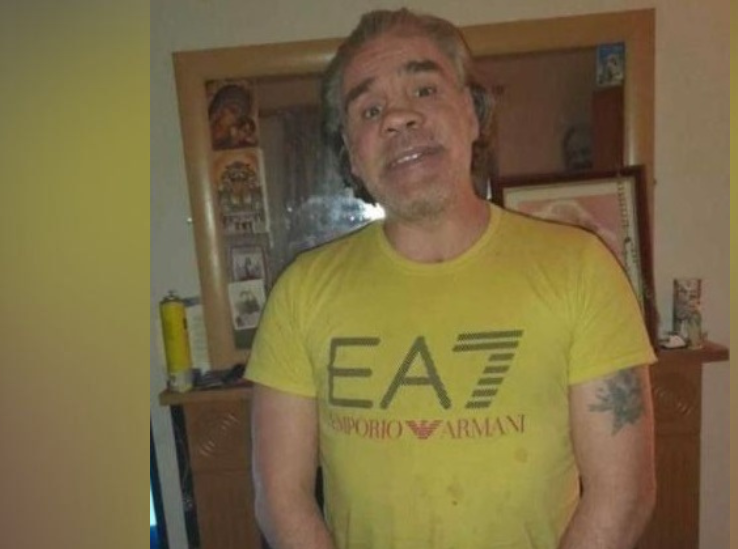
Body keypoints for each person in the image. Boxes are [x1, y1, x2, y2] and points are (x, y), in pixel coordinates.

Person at [246, 9, 656, 549]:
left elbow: (622, 494)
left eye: (423, 88)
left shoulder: (582, 270)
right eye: (370, 109)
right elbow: (281, 498)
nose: (398, 118)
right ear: (352, 154)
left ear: (472, 111)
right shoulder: (299, 293)